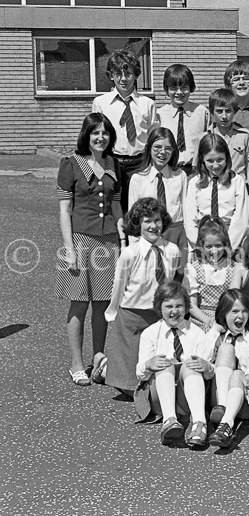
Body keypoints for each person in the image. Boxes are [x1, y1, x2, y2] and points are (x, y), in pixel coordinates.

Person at [57, 113, 124, 386]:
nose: (100, 138)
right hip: (80, 240)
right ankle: (76, 363)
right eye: (95, 132)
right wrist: (69, 248)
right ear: (86, 135)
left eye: (105, 133)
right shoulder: (71, 164)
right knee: (79, 302)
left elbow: (116, 205)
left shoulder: (113, 164)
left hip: (108, 241)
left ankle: (98, 358)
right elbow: (65, 210)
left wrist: (123, 239)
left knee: (103, 303)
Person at [103, 198, 180, 395]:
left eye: (157, 220)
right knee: (129, 385)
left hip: (157, 317)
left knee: (155, 377)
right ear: (138, 224)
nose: (153, 226)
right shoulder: (130, 253)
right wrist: (113, 313)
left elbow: (171, 282)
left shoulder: (172, 251)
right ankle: (104, 369)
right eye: (147, 221)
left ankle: (105, 366)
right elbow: (119, 286)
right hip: (132, 316)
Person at [135, 282, 214, 448]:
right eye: (169, 306)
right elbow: (140, 374)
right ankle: (169, 420)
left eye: (179, 306)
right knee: (164, 362)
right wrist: (149, 364)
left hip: (189, 396)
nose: (174, 311)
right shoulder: (150, 333)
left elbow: (209, 373)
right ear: (159, 307)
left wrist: (207, 367)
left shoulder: (197, 333)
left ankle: (199, 423)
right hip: (159, 396)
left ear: (186, 307)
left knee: (191, 364)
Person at [92, 49, 157, 215]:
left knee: (139, 208)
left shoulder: (147, 104)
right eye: (118, 74)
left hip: (139, 163)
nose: (123, 79)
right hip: (112, 162)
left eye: (128, 74)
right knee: (113, 207)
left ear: (136, 75)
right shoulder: (101, 103)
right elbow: (96, 136)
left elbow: (153, 136)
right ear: (111, 76)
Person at [206, 290, 249, 448]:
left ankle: (226, 421)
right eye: (234, 311)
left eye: (244, 311)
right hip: (217, 398)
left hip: (243, 397)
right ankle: (222, 410)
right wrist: (213, 331)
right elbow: (202, 358)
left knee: (238, 373)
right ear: (224, 313)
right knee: (226, 348)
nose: (240, 316)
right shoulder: (217, 336)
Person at [129, 128, 189, 280]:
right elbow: (133, 219)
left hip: (176, 234)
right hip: (150, 235)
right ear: (149, 148)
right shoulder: (137, 179)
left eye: (168, 148)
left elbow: (186, 210)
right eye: (157, 147)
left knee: (177, 282)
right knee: (151, 281)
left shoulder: (180, 176)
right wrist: (134, 249)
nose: (162, 152)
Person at [184, 133, 249, 249]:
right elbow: (190, 220)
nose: (215, 165)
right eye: (210, 161)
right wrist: (202, 246)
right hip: (203, 242)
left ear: (227, 157)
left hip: (230, 240)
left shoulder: (237, 181)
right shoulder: (194, 183)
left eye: (220, 160)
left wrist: (227, 247)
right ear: (202, 160)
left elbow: (241, 219)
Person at [157, 64, 210, 175]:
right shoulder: (160, 115)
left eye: (184, 87)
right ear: (167, 90)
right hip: (168, 170)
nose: (179, 92)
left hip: (195, 171)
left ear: (191, 88)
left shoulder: (202, 112)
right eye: (173, 88)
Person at [183, 216, 234, 330]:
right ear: (201, 246)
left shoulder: (232, 268)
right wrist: (210, 322)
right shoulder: (194, 268)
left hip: (226, 318)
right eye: (208, 246)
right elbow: (192, 306)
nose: (214, 251)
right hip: (201, 321)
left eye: (218, 246)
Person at [202, 88, 249, 179]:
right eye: (219, 111)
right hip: (213, 183)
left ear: (234, 111)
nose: (224, 116)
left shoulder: (244, 135)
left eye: (228, 111)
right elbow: (199, 167)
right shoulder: (204, 137)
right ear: (212, 112)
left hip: (238, 183)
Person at [224, 60, 249, 136]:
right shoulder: (222, 112)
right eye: (236, 79)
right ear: (228, 85)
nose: (241, 83)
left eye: (246, 78)